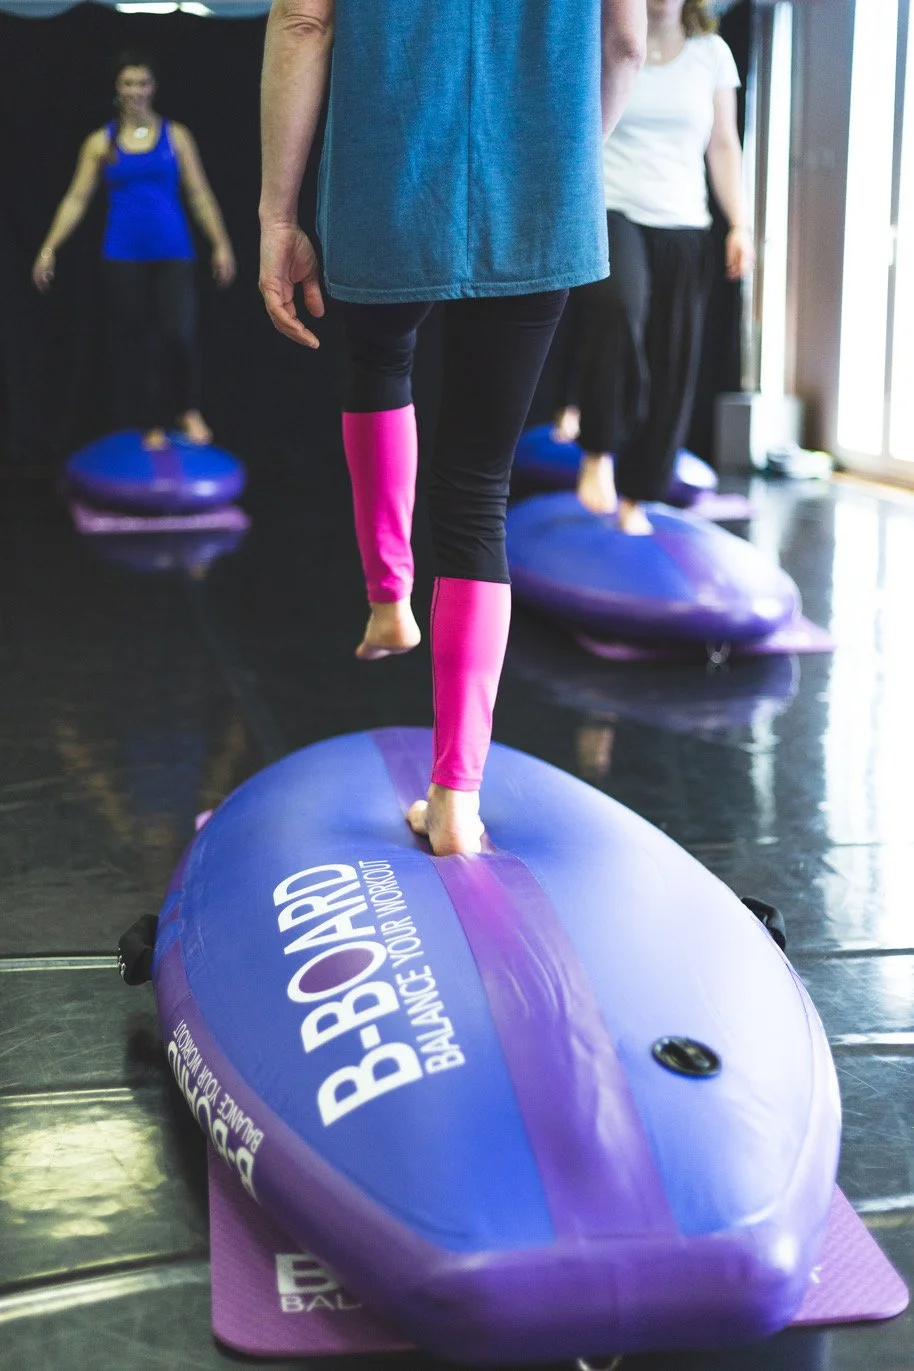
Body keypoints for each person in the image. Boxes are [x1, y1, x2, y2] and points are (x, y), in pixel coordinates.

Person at [259, 0, 646, 856]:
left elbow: (302, 23)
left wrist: (276, 217)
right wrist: (565, 160)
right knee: (478, 487)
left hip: (386, 175)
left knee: (379, 364)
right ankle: (456, 800)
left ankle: (388, 596)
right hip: (539, 192)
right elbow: (625, 42)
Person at [553, 0, 755, 534]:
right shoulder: (607, 40)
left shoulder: (713, 55)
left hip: (685, 224)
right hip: (613, 209)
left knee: (672, 360)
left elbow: (723, 146)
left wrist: (740, 223)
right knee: (616, 305)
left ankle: (637, 496)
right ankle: (597, 449)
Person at [32, 51, 236, 451]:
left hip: (173, 251)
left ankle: (188, 409)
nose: (135, 91)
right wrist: (48, 248)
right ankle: (151, 422)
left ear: (153, 87)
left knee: (178, 333)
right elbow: (76, 198)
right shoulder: (101, 142)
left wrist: (221, 244)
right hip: (123, 254)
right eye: (128, 83)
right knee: (139, 340)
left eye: (142, 83)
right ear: (117, 89)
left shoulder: (175, 136)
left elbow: (199, 194)